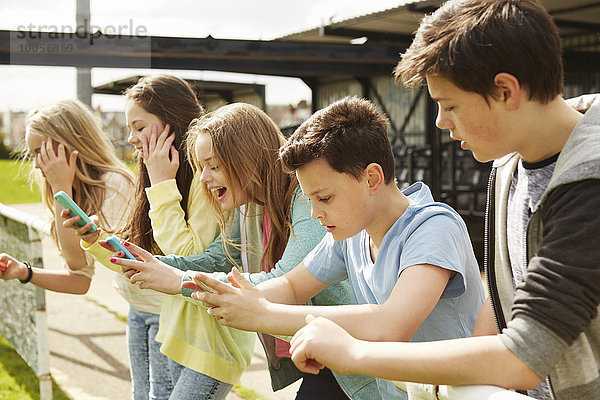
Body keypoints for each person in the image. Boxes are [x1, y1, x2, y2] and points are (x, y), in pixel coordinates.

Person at [288, 1, 600, 400]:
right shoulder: (507, 168)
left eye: (449, 105)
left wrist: (355, 353)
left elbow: (525, 356)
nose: (440, 121)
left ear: (506, 90)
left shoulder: (589, 183)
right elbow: (503, 301)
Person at [180, 96, 486, 400]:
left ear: (372, 179)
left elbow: (390, 324)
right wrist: (236, 297)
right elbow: (292, 285)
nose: (314, 213)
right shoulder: (352, 233)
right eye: (309, 199)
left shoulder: (434, 227)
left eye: (324, 198)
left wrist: (262, 314)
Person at [105, 102, 382, 400]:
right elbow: (217, 259)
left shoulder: (306, 199)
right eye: (201, 168)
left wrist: (178, 281)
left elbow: (287, 279)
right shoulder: (249, 206)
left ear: (247, 158)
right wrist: (157, 265)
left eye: (214, 166)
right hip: (325, 356)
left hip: (360, 358)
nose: (203, 179)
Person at [64, 74, 220, 400]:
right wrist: (94, 238)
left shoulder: (206, 178)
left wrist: (162, 183)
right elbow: (143, 259)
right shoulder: (150, 169)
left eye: (139, 127)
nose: (132, 138)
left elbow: (188, 258)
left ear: (172, 122)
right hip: (148, 311)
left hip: (188, 323)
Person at [0, 99, 134, 294]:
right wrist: (23, 271)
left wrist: (60, 186)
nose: (37, 164)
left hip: (160, 309)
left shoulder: (114, 184)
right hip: (138, 310)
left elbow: (76, 262)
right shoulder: (74, 192)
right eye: (33, 154)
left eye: (41, 152)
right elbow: (79, 279)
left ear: (71, 145)